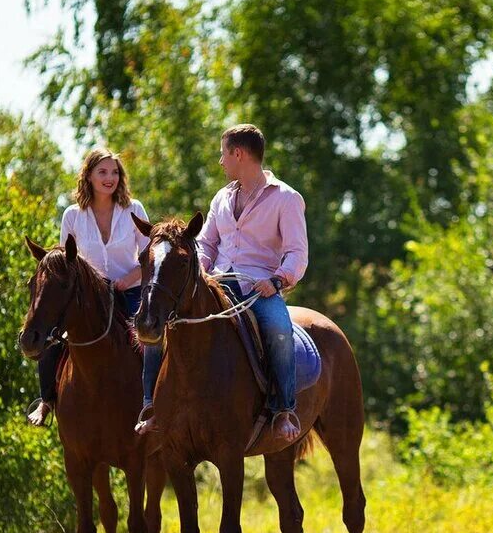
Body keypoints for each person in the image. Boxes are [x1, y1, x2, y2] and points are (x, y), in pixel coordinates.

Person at [186, 123, 308, 444]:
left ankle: (283, 410)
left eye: (223, 154)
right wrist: (200, 271)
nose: (221, 161)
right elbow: (206, 244)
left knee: (280, 330)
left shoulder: (286, 198)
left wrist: (278, 280)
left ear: (238, 153)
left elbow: (297, 253)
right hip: (218, 283)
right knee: (174, 321)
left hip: (260, 289)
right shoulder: (221, 198)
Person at [27, 148, 163, 426]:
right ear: (88, 176)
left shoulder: (134, 209)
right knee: (52, 333)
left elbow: (150, 256)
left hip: (130, 290)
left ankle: (155, 401)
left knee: (152, 338)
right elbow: (67, 262)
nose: (109, 178)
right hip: (89, 298)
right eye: (102, 172)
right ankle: (46, 400)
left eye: (114, 172)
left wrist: (131, 277)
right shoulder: (72, 216)